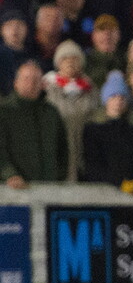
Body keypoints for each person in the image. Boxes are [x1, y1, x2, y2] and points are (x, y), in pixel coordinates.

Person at [0, 61, 68, 187]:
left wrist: (59, 177)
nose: (31, 84)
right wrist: (9, 174)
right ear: (16, 83)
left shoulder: (51, 113)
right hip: (13, 191)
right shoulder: (4, 112)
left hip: (49, 189)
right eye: (26, 79)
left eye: (36, 79)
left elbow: (63, 150)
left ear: (42, 84)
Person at [81, 70, 133, 196]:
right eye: (113, 96)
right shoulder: (93, 129)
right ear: (106, 99)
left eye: (122, 97)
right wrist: (119, 182)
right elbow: (92, 165)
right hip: (101, 192)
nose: (118, 101)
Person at [42, 40, 99, 181]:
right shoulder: (48, 89)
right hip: (58, 150)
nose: (70, 62)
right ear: (58, 63)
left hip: (86, 150)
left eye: (75, 58)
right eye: (65, 58)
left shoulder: (91, 89)